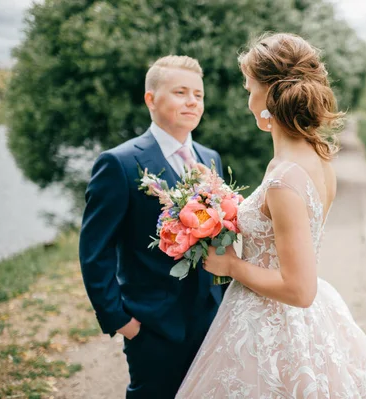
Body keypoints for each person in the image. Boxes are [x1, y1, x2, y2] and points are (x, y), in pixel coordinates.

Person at [175, 33, 366, 398]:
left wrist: (232, 267)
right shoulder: (315, 159)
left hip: (271, 327)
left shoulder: (284, 178)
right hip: (293, 319)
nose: (248, 99)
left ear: (270, 95)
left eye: (249, 88)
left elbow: (300, 289)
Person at [79, 55, 225, 398]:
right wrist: (122, 322)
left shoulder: (211, 158)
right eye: (180, 92)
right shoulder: (120, 163)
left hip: (212, 319)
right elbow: (94, 252)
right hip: (153, 326)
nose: (192, 101)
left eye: (198, 95)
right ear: (151, 99)